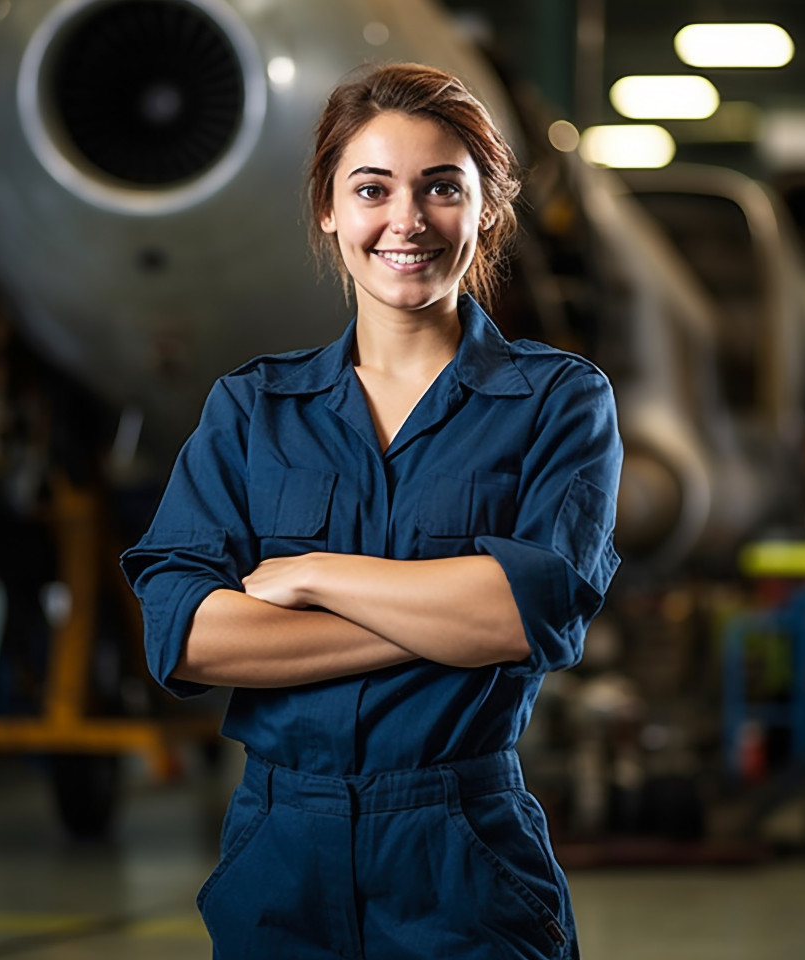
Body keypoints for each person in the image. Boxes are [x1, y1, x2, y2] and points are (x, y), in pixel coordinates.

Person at [121, 62, 622, 960]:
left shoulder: (558, 402)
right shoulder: (252, 411)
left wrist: (320, 576)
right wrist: (454, 618)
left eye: (442, 188)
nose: (407, 220)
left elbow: (524, 609)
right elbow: (187, 636)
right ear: (328, 208)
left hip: (461, 850)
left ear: (485, 210)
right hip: (281, 851)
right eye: (372, 188)